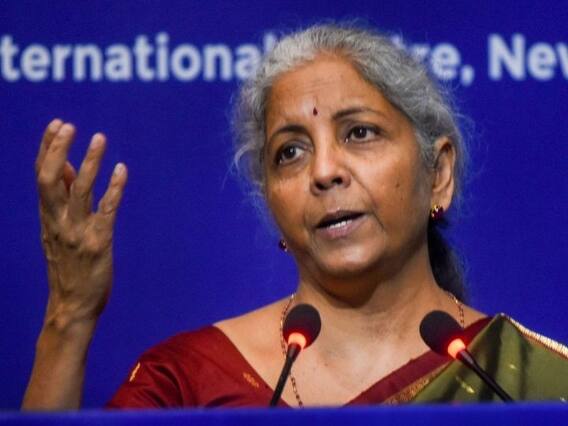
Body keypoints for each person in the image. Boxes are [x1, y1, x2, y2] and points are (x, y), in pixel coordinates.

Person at [22, 24, 568, 410]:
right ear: (271, 201)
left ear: (439, 172)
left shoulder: (530, 382)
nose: (324, 171)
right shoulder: (188, 382)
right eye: (290, 152)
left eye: (360, 133)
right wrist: (69, 317)